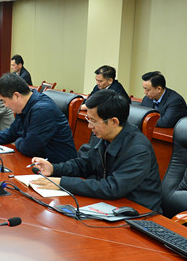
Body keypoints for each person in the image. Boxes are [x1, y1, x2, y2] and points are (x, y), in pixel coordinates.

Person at [31, 89, 162, 212]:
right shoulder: (106, 137)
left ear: (114, 122)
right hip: (111, 204)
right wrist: (54, 169)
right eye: (88, 119)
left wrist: (62, 182)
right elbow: (84, 164)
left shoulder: (138, 149)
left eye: (93, 121)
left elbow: (112, 188)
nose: (89, 126)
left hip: (138, 212)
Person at [0, 73, 76, 162]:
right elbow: (13, 131)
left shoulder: (42, 110)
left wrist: (17, 141)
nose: (5, 106)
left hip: (57, 167)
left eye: (4, 101)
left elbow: (29, 148)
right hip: (37, 161)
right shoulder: (24, 105)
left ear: (16, 96)